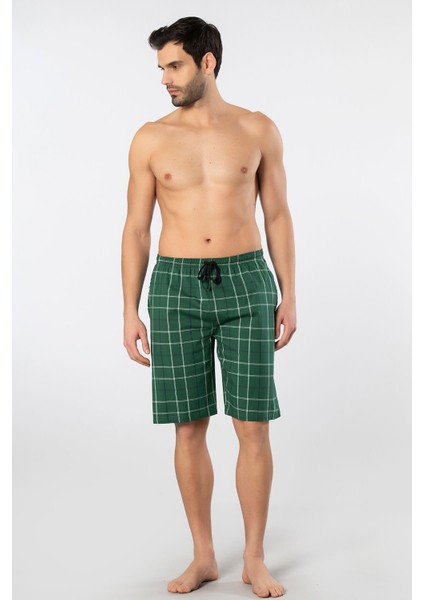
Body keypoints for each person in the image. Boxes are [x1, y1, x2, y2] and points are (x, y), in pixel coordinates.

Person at [121, 16, 296, 598]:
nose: (165, 79)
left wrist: (289, 294)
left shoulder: (257, 129)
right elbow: (136, 229)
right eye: (161, 68)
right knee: (188, 426)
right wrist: (129, 309)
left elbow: (277, 215)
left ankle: (254, 558)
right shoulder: (150, 138)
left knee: (253, 426)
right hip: (175, 287)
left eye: (174, 65)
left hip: (247, 281)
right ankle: (203, 556)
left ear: (207, 62)